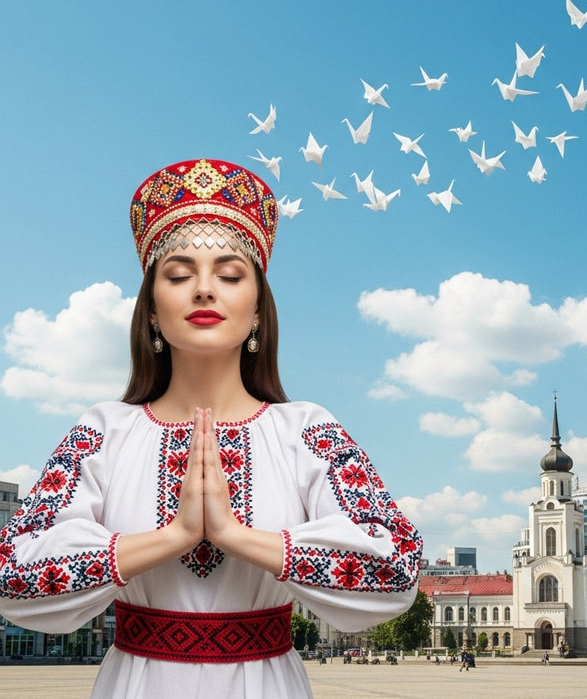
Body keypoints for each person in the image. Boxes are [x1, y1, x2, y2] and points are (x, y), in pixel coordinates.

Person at [0, 159, 422, 699]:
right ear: (152, 309)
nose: (204, 290)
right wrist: (170, 538)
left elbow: (396, 568)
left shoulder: (307, 431)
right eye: (178, 275)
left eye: (229, 275)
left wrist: (236, 536)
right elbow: (15, 575)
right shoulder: (103, 431)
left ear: (257, 313)